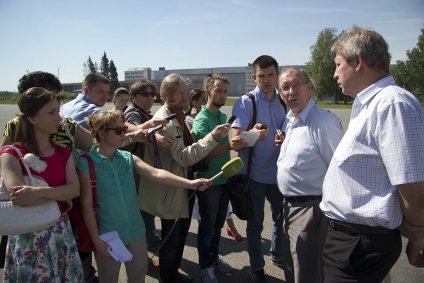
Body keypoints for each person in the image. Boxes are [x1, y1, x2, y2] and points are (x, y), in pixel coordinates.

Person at [320, 25, 424, 282]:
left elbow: (412, 187)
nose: (334, 74)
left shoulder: (392, 104)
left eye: (337, 64)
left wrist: (419, 237)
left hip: (360, 244)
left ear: (358, 62)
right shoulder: (370, 103)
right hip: (350, 239)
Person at [78, 110, 211, 283]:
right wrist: (96, 240)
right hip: (108, 235)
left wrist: (190, 184)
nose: (124, 134)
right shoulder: (86, 162)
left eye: (124, 129)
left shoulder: (127, 157)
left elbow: (156, 173)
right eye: (118, 131)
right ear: (102, 134)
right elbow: (87, 205)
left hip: (136, 231)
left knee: (138, 278)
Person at [140, 73, 231, 283]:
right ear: (166, 95)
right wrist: (213, 137)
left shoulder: (177, 115)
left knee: (179, 236)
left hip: (180, 188)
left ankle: (172, 275)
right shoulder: (167, 121)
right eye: (180, 93)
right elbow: (183, 157)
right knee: (172, 239)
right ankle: (169, 278)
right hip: (171, 191)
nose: (185, 96)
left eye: (184, 92)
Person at [0, 71, 94, 270]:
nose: (59, 117)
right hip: (27, 233)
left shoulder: (62, 153)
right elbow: (19, 196)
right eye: (52, 111)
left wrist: (41, 193)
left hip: (60, 229)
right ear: (31, 114)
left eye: (58, 108)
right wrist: (61, 196)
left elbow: (74, 190)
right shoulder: (12, 150)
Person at [276, 67, 343, 283]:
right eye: (286, 87)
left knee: (306, 273)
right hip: (289, 206)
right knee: (291, 266)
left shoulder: (323, 123)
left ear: (310, 88)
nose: (291, 91)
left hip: (311, 210)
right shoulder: (292, 119)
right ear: (280, 93)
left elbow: (340, 171)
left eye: (297, 85)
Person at [231, 55, 286, 282]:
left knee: (281, 219)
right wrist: (253, 135)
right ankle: (257, 266)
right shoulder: (246, 102)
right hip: (253, 177)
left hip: (280, 176)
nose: (266, 80)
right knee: (255, 224)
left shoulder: (284, 100)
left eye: (270, 75)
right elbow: (234, 141)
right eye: (261, 76)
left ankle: (276, 253)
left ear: (277, 75)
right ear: (254, 77)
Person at [193, 74, 246, 283]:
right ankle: (205, 266)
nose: (223, 95)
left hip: (225, 180)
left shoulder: (223, 117)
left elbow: (226, 149)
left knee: (216, 226)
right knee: (207, 228)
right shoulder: (202, 119)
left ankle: (214, 259)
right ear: (208, 92)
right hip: (209, 183)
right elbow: (202, 153)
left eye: (225, 91)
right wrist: (230, 146)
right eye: (218, 90)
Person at [124, 79, 161, 256]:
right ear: (133, 97)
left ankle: (149, 242)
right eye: (144, 94)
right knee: (143, 211)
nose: (149, 98)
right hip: (136, 172)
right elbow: (133, 128)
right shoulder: (133, 112)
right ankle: (149, 245)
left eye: (152, 94)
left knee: (145, 210)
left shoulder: (144, 112)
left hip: (142, 170)